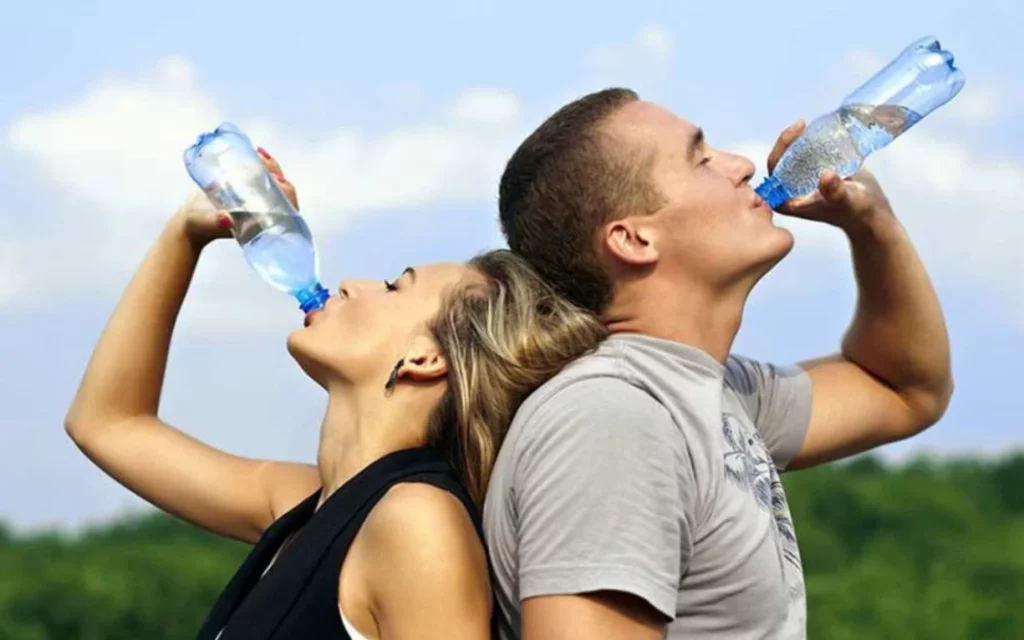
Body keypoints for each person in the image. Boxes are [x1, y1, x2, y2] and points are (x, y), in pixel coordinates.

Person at [64, 152, 605, 640]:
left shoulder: (417, 524)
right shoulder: (304, 504)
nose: (352, 283)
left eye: (397, 286)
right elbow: (106, 423)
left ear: (425, 358)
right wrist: (185, 235)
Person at [485, 88, 955, 639]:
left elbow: (906, 389)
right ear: (633, 239)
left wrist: (872, 225)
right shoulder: (613, 419)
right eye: (701, 158)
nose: (744, 166)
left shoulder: (710, 392)